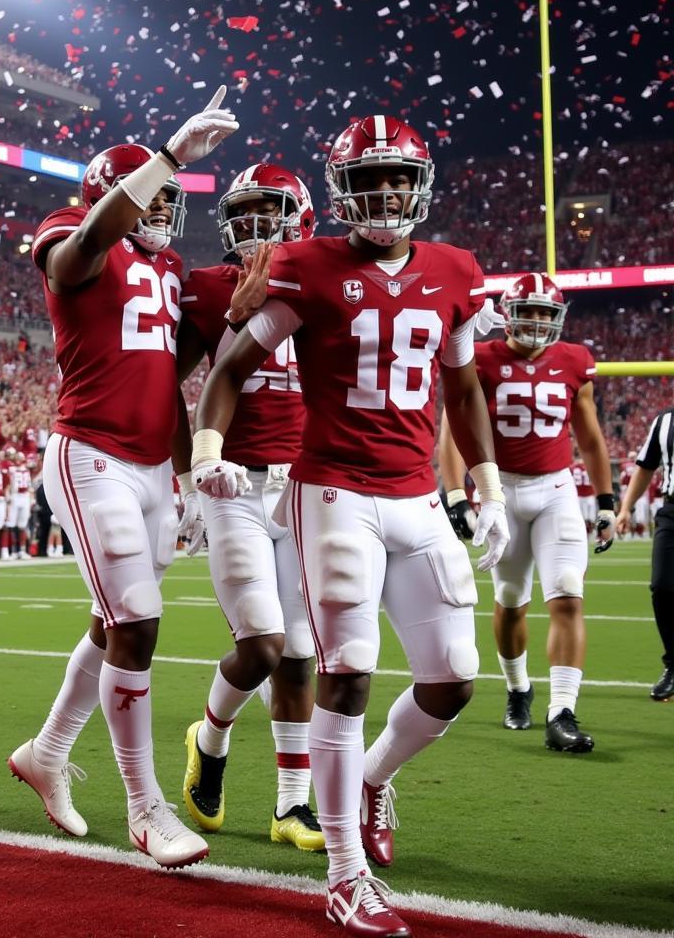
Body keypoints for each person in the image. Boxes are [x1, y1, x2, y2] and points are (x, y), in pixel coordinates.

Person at [191, 115, 508, 938]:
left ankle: (370, 778)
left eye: (399, 179)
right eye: (371, 182)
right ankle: (343, 874)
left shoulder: (456, 270)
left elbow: (464, 386)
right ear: (343, 192)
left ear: (421, 184)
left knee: (453, 680)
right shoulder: (305, 265)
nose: (388, 194)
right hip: (331, 490)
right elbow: (230, 368)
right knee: (350, 672)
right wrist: (206, 450)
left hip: (416, 495)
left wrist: (488, 486)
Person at [8, 86, 238, 870]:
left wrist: (188, 476)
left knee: (112, 626)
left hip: (149, 468)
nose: (164, 206)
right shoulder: (70, 237)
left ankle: (46, 752)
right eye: (153, 193)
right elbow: (82, 250)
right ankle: (147, 808)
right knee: (137, 623)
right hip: (90, 456)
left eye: (173, 196)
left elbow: (168, 383)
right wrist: (165, 156)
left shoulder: (171, 268)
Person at [173, 163, 324, 851]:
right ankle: (210, 737)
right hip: (232, 478)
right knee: (260, 644)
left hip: (308, 484)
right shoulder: (207, 288)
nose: (257, 226)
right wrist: (187, 476)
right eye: (248, 213)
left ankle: (293, 804)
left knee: (299, 654)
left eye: (272, 212)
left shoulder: (330, 279)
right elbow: (165, 386)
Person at [439, 272, 615, 753]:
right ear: (508, 314)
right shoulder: (485, 358)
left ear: (557, 317)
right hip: (502, 493)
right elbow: (454, 429)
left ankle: (562, 712)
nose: (536, 321)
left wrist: (605, 501)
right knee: (511, 600)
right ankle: (519, 688)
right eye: (528, 311)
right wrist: (456, 494)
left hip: (557, 490)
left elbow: (591, 437)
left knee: (567, 596)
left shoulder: (575, 360)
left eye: (545, 312)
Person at [615, 405, 674, 701]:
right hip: (672, 510)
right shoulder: (664, 422)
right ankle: (673, 664)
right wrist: (625, 508)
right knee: (662, 586)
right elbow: (646, 466)